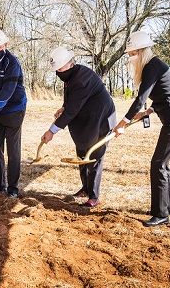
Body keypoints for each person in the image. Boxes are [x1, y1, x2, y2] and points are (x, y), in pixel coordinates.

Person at [113, 31, 170, 227]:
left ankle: (161, 214)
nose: (130, 58)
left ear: (140, 51)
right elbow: (166, 94)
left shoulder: (152, 67)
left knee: (158, 163)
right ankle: (168, 207)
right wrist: (150, 111)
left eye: (131, 54)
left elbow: (140, 98)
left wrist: (123, 122)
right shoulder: (155, 66)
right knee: (163, 163)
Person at [42, 47, 116, 208]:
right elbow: (72, 100)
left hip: (101, 118)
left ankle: (94, 197)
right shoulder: (71, 76)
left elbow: (72, 111)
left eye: (59, 69)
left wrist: (51, 131)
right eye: (56, 70)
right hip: (86, 119)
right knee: (82, 152)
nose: (57, 73)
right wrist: (64, 107)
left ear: (70, 64)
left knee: (94, 156)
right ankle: (86, 188)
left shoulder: (81, 79)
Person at [0, 28, 27, 198]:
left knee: (13, 150)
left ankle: (13, 189)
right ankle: (0, 184)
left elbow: (8, 90)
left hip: (15, 109)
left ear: (5, 45)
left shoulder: (12, 63)